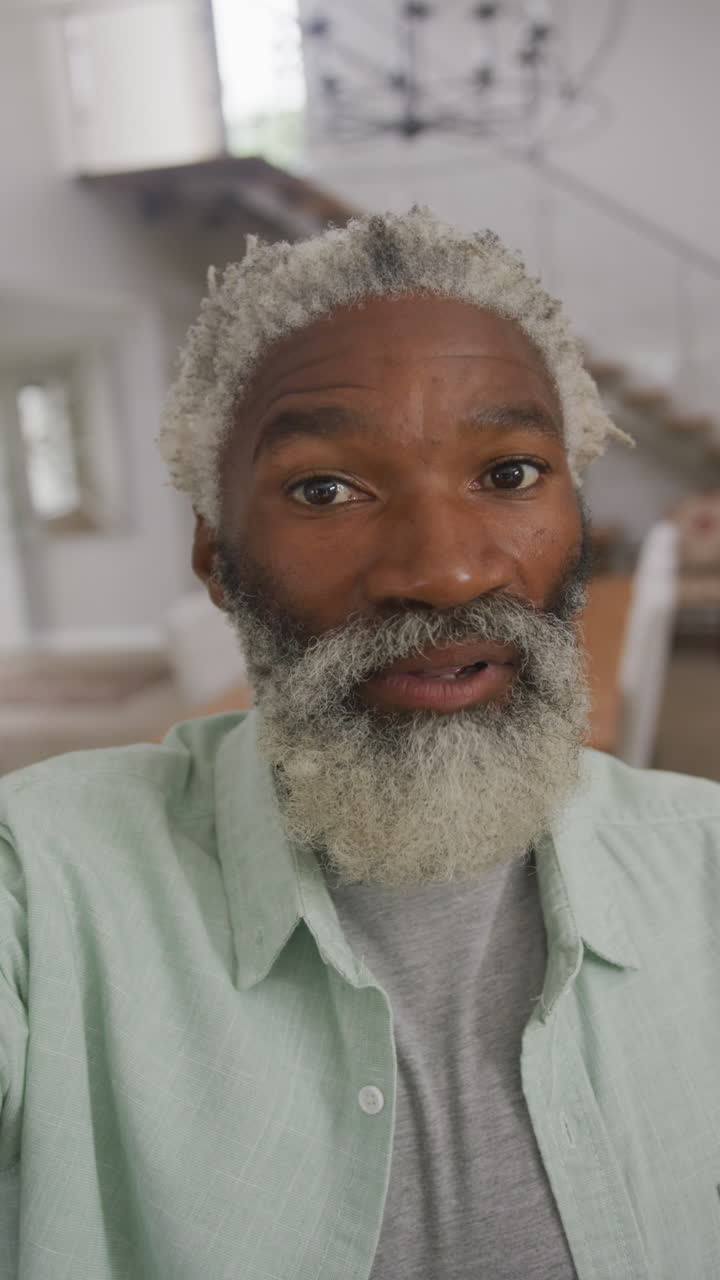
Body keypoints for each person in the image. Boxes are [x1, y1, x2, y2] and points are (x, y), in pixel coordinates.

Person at [1, 209, 719, 1280]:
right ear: (217, 557)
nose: (445, 571)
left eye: (509, 473)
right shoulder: (41, 886)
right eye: (325, 489)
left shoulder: (706, 866)